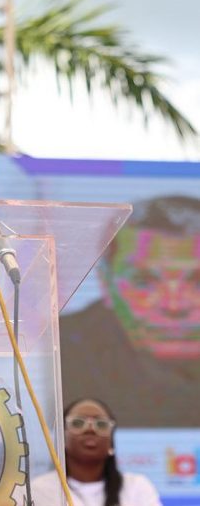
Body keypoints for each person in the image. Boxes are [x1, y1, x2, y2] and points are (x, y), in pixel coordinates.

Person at [60, 195, 200, 427]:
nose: (174, 305)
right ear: (106, 284)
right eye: (144, 282)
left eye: (198, 283)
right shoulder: (58, 348)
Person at [30, 398, 162, 505]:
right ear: (62, 437)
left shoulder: (136, 487)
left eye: (101, 424)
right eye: (78, 423)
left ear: (111, 442)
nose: (90, 429)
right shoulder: (38, 490)